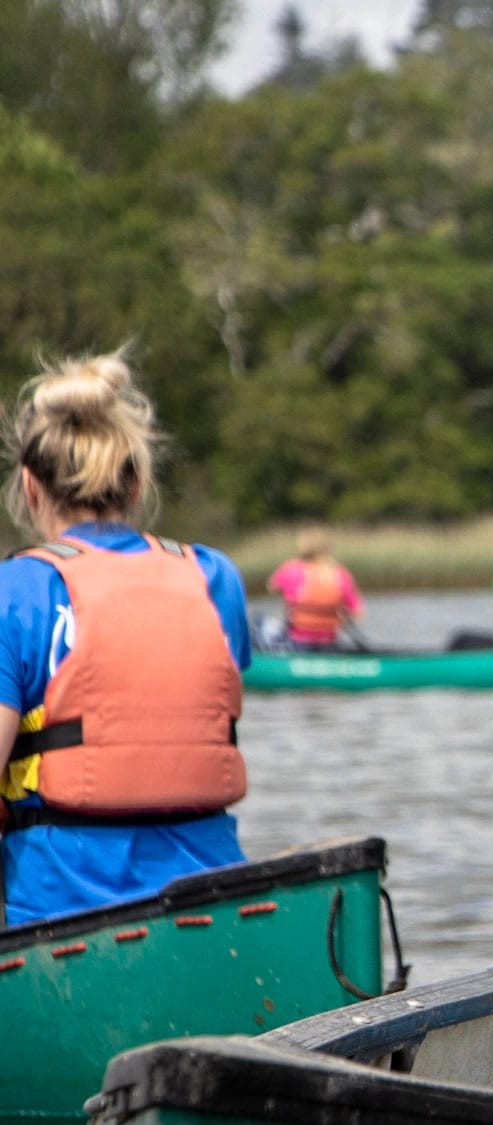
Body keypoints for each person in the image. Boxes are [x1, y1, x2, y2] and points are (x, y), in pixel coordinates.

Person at [0, 352, 249, 926]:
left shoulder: (15, 592)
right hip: (212, 906)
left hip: (56, 913)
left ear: (30, 486)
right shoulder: (215, 578)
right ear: (136, 484)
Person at [265, 525, 364, 650]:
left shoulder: (292, 569)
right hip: (329, 641)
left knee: (261, 623)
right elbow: (357, 613)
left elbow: (272, 587)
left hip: (298, 640)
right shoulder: (340, 574)